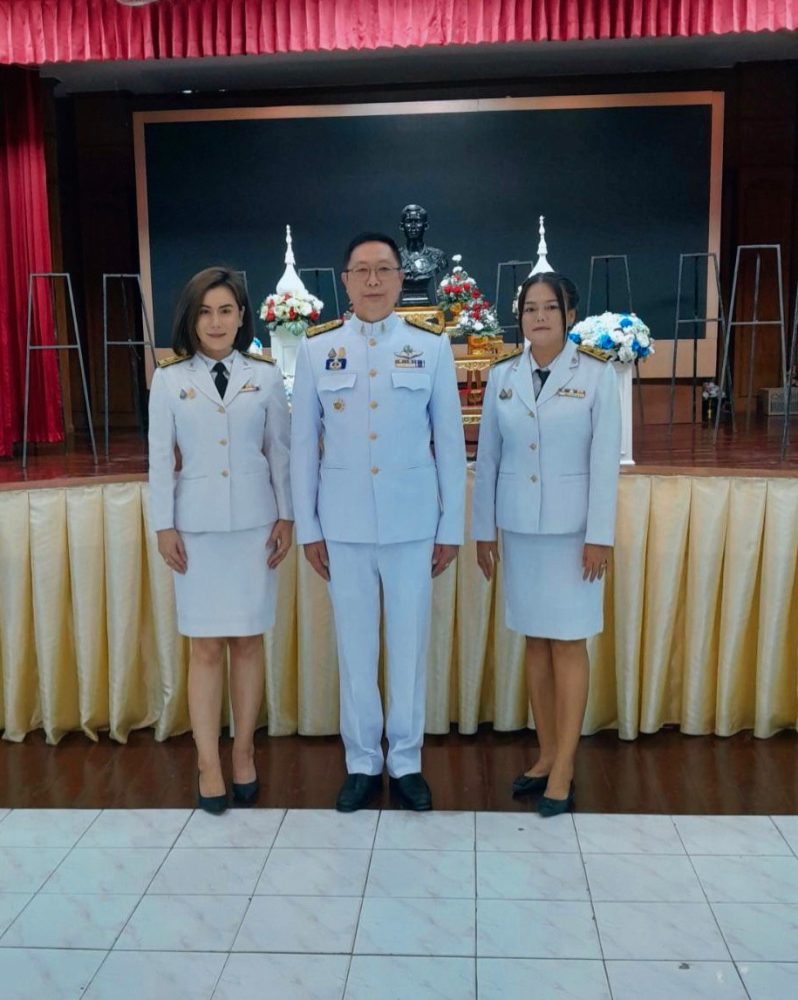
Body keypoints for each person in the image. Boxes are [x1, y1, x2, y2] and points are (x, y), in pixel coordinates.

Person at [290, 232, 466, 812]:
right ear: (344, 280)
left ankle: (407, 760)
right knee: (356, 649)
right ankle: (363, 761)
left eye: (384, 269)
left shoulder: (430, 347)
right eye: (361, 270)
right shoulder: (317, 349)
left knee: (409, 647)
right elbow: (303, 448)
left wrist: (450, 528)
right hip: (343, 526)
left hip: (413, 524)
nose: (373, 281)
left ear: (399, 278)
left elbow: (450, 443)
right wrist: (309, 529)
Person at [472, 272, 621, 817]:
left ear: (569, 315)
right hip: (520, 531)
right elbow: (488, 459)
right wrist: (483, 530)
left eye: (549, 308)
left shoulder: (596, 375)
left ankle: (565, 766)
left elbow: (604, 462)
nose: (538, 317)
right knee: (535, 642)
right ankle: (547, 753)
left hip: (574, 535)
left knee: (568, 645)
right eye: (529, 309)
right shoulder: (503, 376)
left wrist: (600, 536)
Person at [148, 266, 293, 814]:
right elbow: (159, 460)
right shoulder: (169, 380)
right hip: (197, 531)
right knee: (206, 647)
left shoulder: (266, 376)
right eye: (205, 312)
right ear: (191, 319)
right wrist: (164, 525)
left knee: (249, 642)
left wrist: (287, 516)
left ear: (241, 317)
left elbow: (280, 452)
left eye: (226, 310)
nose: (216, 322)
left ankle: (244, 752)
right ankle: (208, 762)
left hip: (255, 527)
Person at [398, 204, 449, 305]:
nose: (413, 227)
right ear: (401, 226)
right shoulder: (394, 257)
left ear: (426, 226)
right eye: (409, 222)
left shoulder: (437, 256)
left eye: (417, 222)